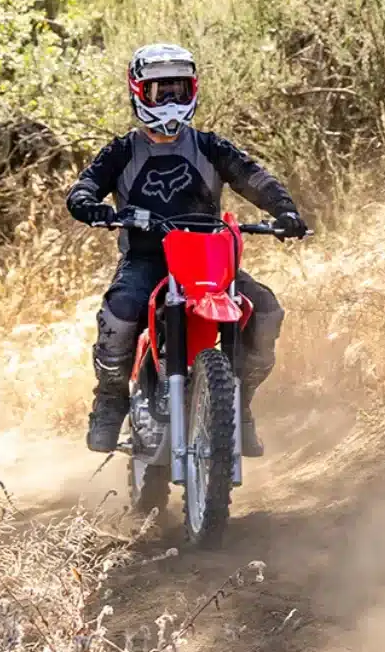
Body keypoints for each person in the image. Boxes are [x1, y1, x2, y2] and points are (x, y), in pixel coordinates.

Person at [66, 42, 310, 455]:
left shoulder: (210, 146)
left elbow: (253, 177)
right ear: (139, 92)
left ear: (194, 90)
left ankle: (239, 407)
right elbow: (83, 188)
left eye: (179, 90)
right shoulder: (123, 150)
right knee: (120, 313)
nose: (171, 100)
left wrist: (284, 211)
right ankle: (110, 402)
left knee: (266, 311)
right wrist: (92, 207)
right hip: (147, 258)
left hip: (206, 256)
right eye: (161, 92)